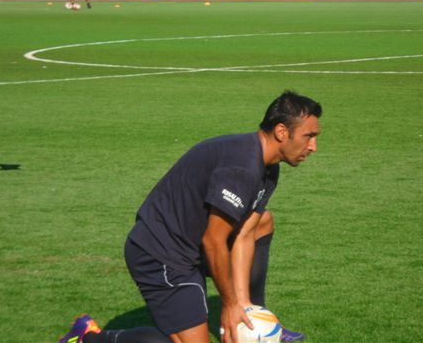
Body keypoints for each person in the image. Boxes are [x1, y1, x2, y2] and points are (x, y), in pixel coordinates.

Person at [58, 91, 323, 343]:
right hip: (160, 253)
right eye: (308, 136)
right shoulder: (241, 167)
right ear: (281, 132)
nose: (313, 147)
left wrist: (244, 310)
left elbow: (244, 235)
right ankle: (88, 337)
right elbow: (213, 241)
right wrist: (229, 304)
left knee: (263, 222)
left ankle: (256, 315)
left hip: (190, 246)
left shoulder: (269, 167)